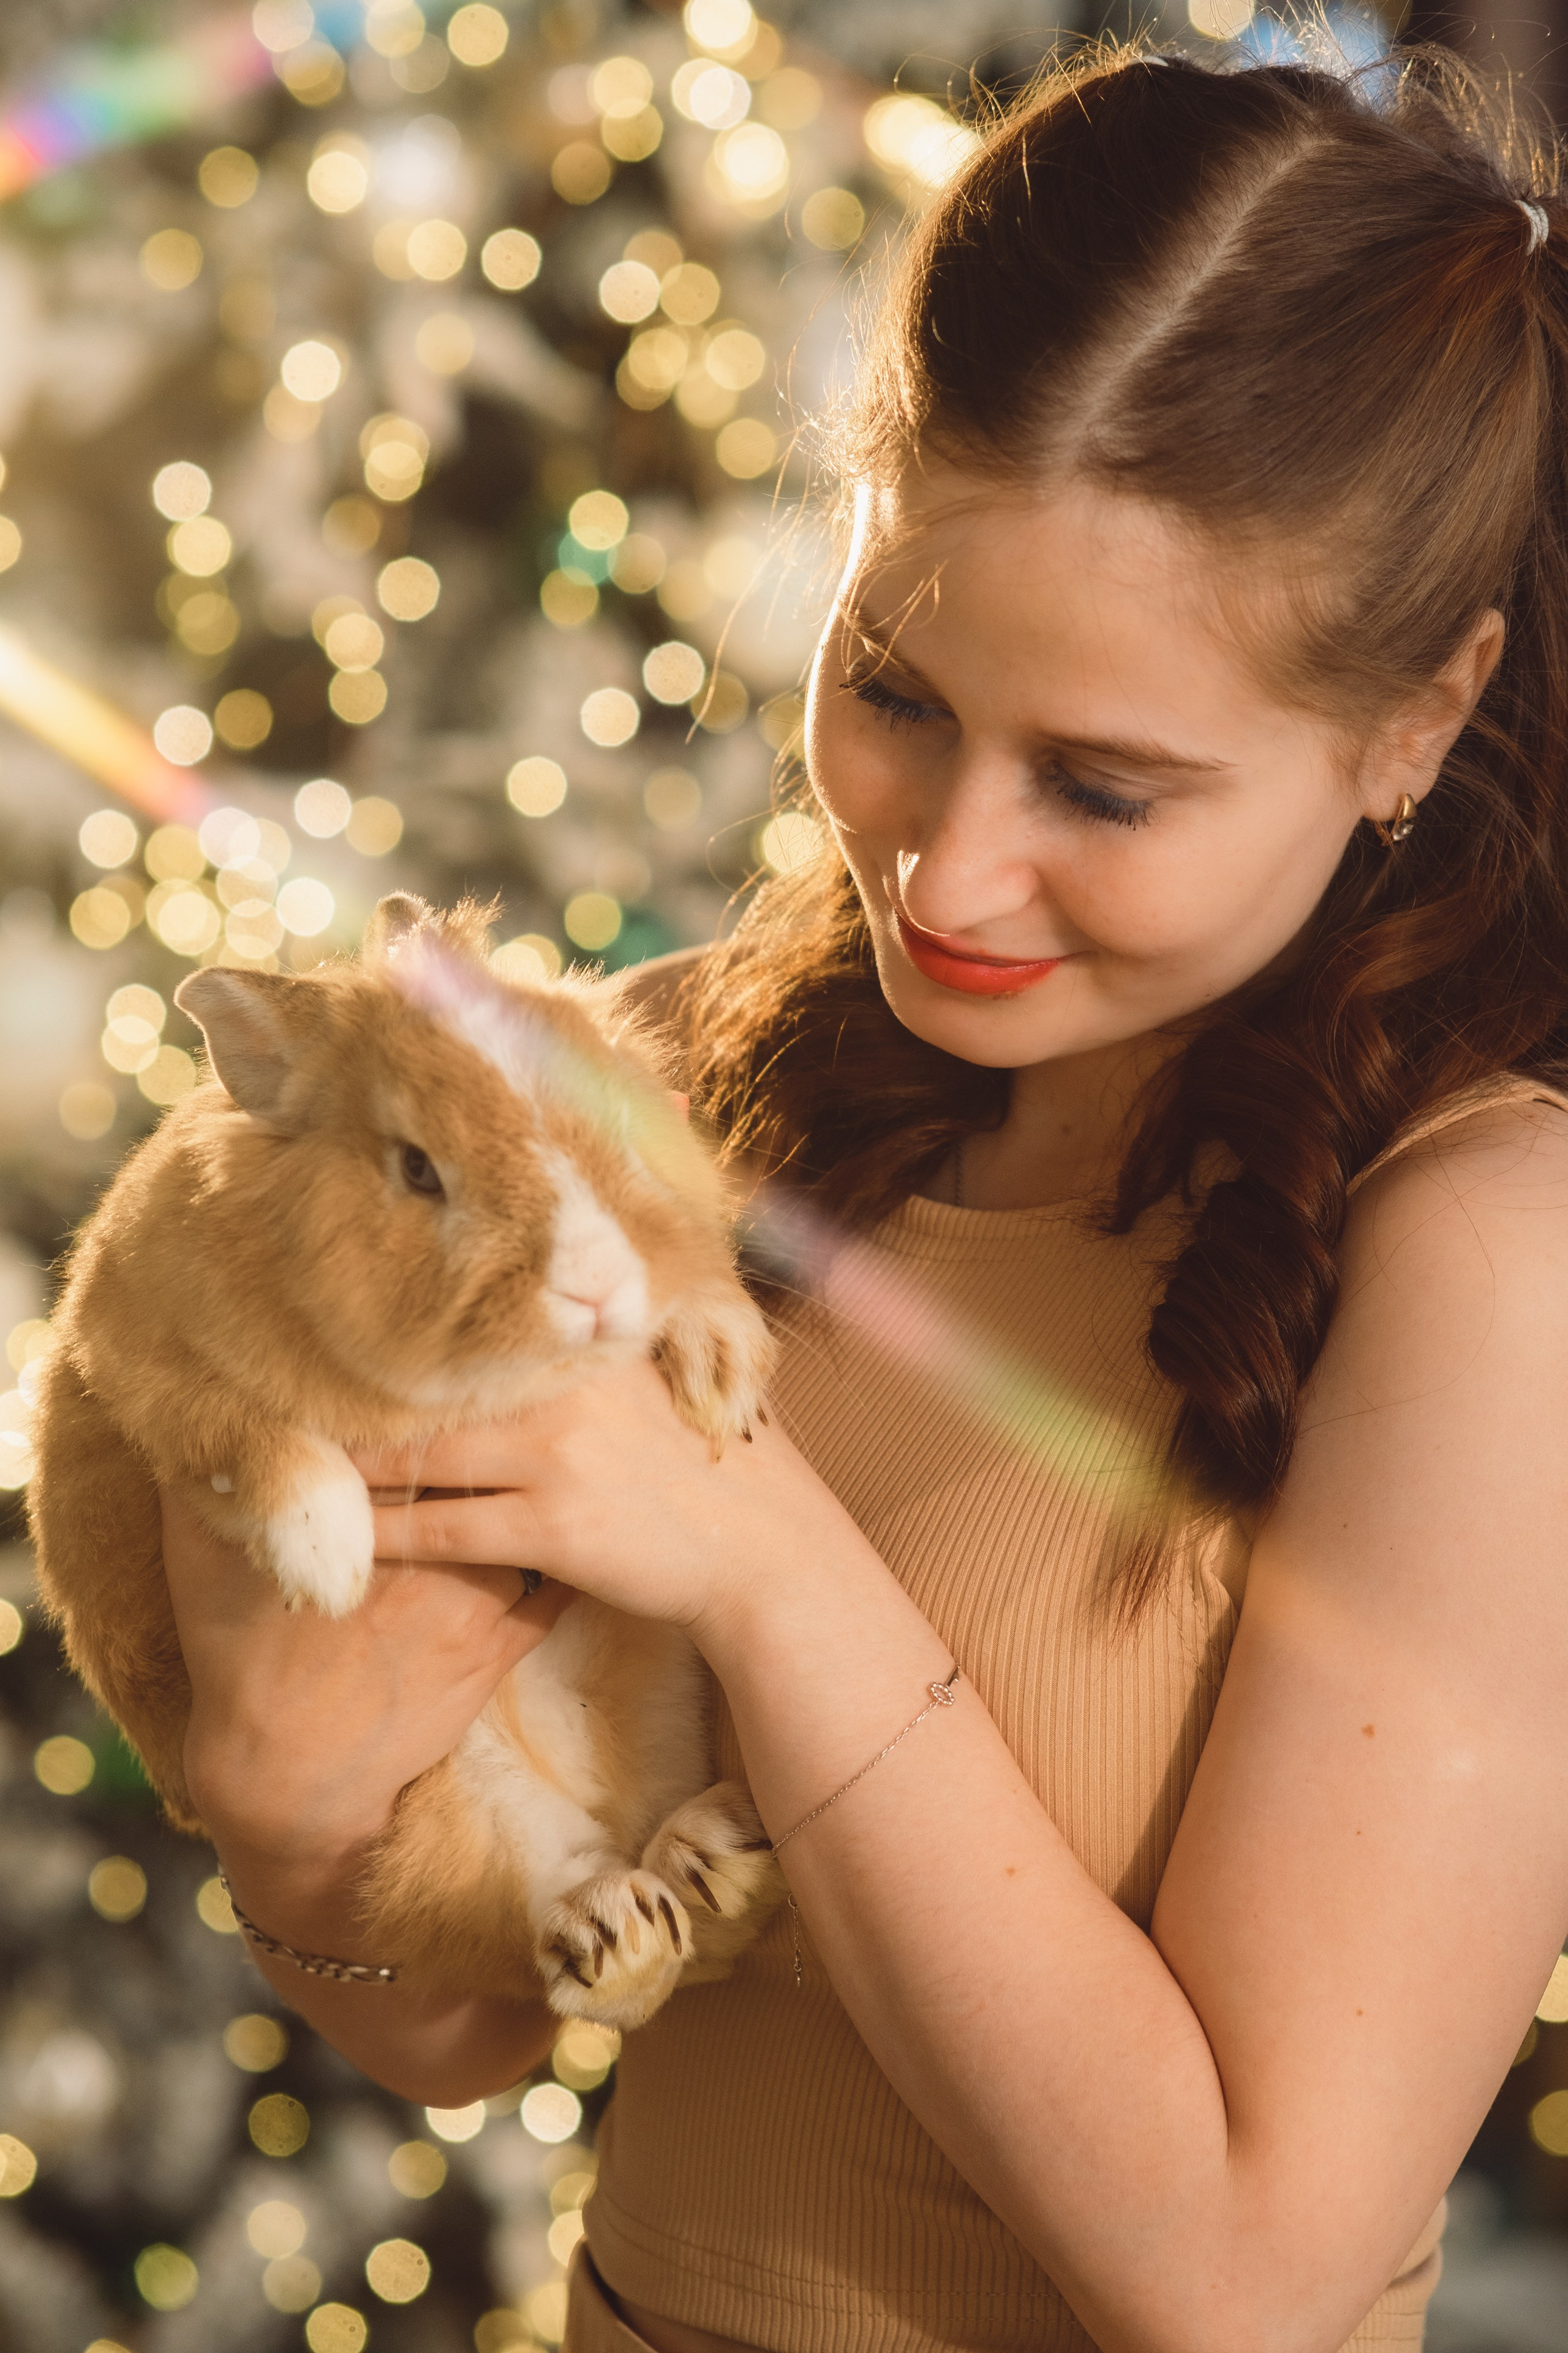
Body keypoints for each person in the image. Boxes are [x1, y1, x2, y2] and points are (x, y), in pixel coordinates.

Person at [160, 42, 1568, 2353]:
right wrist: (294, 1811)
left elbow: (1240, 2268)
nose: (947, 870)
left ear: (1420, 718)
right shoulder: (665, 1086)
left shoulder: (1492, 1248)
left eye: (1104, 787)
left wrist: (752, 1553)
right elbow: (469, 2024)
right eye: (898, 689)